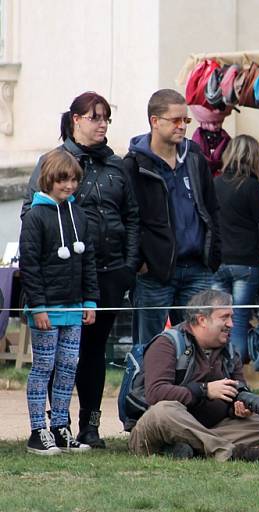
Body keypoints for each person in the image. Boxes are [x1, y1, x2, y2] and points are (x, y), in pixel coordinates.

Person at [23, 92, 139, 448]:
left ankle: (89, 423)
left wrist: (129, 266)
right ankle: (55, 425)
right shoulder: (54, 162)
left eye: (106, 118)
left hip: (106, 274)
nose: (102, 124)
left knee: (90, 354)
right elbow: (31, 216)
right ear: (76, 120)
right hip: (60, 280)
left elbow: (132, 216)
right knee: (55, 357)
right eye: (95, 118)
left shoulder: (117, 165)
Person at [128, 289, 259, 461]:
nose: (231, 324)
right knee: (164, 410)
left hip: (207, 427)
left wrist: (238, 409)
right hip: (155, 428)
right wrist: (204, 390)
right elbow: (156, 394)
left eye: (231, 317)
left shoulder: (229, 351)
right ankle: (228, 452)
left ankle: (189, 448)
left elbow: (238, 389)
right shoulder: (167, 343)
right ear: (202, 320)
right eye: (224, 317)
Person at [123, 89, 221, 345]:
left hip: (197, 268)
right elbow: (128, 218)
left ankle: (192, 388)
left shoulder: (194, 157)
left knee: (198, 345)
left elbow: (211, 208)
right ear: (155, 121)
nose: (182, 126)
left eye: (186, 120)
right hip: (155, 272)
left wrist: (213, 254)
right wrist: (140, 262)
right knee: (149, 346)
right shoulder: (133, 165)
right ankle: (144, 387)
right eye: (176, 120)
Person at [19, 149, 99, 455]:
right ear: (49, 179)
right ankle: (38, 430)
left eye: (74, 180)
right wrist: (37, 306)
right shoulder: (35, 216)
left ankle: (60, 427)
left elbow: (88, 260)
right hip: (46, 310)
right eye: (63, 179)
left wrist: (90, 300)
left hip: (74, 307)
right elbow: (29, 265)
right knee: (44, 367)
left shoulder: (78, 215)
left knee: (68, 367)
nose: (69, 186)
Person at [211, 134, 259, 362]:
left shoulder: (214, 184)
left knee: (218, 320)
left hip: (218, 260)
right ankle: (237, 376)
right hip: (246, 262)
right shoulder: (253, 187)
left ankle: (219, 370)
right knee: (239, 320)